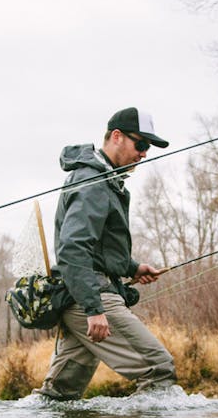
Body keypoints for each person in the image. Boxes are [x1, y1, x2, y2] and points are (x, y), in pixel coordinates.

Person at [34, 107, 177, 400]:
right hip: (91, 296)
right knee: (158, 369)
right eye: (141, 145)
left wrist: (132, 267)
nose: (144, 153)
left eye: (147, 148)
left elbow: (97, 247)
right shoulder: (94, 182)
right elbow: (73, 248)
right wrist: (94, 309)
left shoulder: (105, 180)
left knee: (59, 396)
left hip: (82, 294)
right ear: (116, 137)